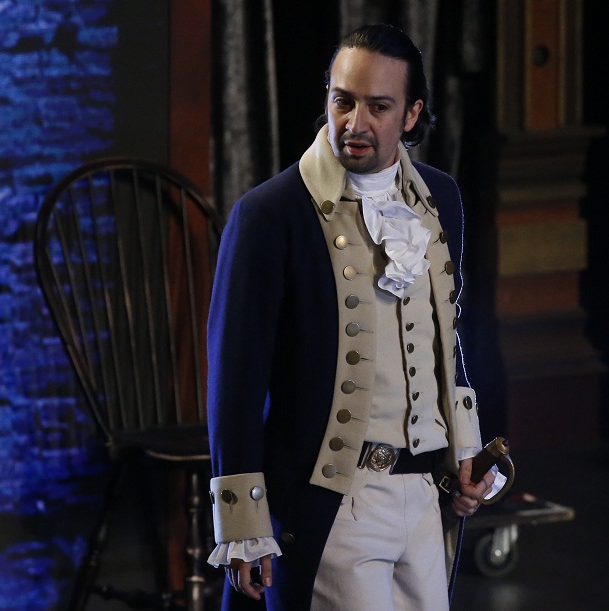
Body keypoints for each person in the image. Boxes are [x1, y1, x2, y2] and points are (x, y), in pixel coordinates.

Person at [206, 23, 499, 610]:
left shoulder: (441, 199)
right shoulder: (270, 214)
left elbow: (448, 335)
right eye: (343, 101)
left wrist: (465, 451)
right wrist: (243, 526)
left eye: (378, 106)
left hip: (424, 495)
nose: (354, 123)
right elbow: (234, 381)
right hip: (337, 499)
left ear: (411, 115)